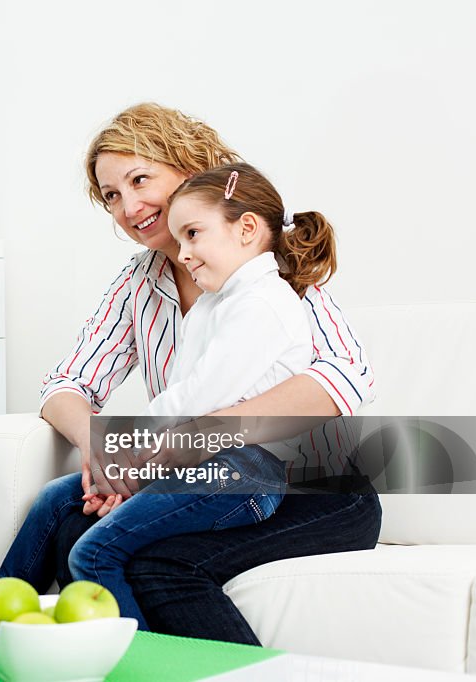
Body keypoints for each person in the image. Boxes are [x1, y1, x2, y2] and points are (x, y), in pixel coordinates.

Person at [0, 103, 381, 645]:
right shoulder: (140, 281)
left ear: (187, 168)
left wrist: (190, 439)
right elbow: (65, 385)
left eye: (140, 179)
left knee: (154, 565)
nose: (129, 206)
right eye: (111, 195)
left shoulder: (267, 267)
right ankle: (15, 649)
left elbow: (344, 377)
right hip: (201, 471)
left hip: (314, 490)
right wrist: (106, 452)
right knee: (72, 525)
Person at [55, 162, 336, 630]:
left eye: (192, 234)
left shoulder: (265, 301)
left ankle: (132, 667)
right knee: (59, 503)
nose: (183, 253)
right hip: (204, 458)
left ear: (246, 229)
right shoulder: (212, 303)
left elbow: (199, 396)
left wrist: (132, 452)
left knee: (96, 551)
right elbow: (177, 399)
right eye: (111, 194)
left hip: (248, 468)